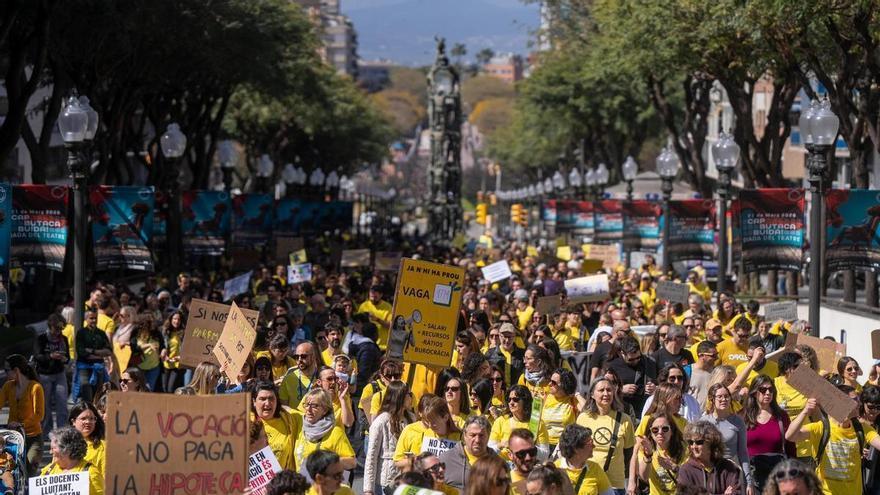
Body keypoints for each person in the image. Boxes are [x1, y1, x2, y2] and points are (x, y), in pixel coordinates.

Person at [786, 396, 880, 495]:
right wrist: (805, 411)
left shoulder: (862, 429)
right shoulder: (822, 427)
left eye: (858, 399)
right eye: (854, 399)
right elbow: (790, 436)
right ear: (839, 403)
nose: (859, 403)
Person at [577, 376, 636, 494]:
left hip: (615, 485)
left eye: (609, 390)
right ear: (592, 394)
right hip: (589, 482)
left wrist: (631, 481)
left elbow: (629, 453)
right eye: (601, 390)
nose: (606, 393)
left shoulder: (624, 419)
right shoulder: (583, 418)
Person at [743, 376, 796, 493]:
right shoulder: (743, 416)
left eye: (771, 390)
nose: (767, 393)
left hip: (777, 476)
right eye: (763, 390)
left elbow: (790, 446)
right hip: (751, 477)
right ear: (754, 392)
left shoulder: (781, 416)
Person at [701, 383, 754, 493]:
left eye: (726, 396)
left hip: (731, 471)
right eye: (719, 397)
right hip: (710, 471)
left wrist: (749, 481)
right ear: (712, 399)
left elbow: (743, 453)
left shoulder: (737, 421)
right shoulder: (703, 422)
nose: (723, 399)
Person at [364, 381, 413, 495]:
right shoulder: (381, 422)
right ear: (400, 397)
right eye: (409, 395)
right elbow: (371, 456)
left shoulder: (411, 418)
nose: (411, 398)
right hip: (385, 483)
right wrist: (368, 489)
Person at [0, 354, 44, 474]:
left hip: (33, 438)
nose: (5, 373)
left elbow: (39, 414)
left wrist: (21, 424)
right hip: (13, 437)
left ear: (16, 370)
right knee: (10, 470)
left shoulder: (35, 387)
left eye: (6, 370)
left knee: (29, 469)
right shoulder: (8, 386)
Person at [295, 389, 356, 473]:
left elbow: (352, 462)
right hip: (300, 483)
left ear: (325, 410)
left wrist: (327, 463)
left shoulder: (335, 432)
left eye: (314, 406)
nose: (308, 409)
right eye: (307, 404)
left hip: (322, 484)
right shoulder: (300, 426)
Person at [393, 395, 462, 469]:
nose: (430, 425)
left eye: (434, 422)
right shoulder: (426, 434)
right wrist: (414, 460)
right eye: (428, 421)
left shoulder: (460, 437)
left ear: (445, 417)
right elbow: (397, 461)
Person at [677, 421, 742, 495]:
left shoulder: (728, 467)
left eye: (699, 442)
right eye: (691, 442)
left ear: (711, 443)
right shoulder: (686, 470)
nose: (694, 446)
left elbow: (736, 492)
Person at [489, 385, 550, 457]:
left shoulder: (537, 423)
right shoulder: (501, 421)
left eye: (515, 399)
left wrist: (526, 446)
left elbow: (545, 455)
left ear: (525, 401)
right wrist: (501, 445)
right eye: (509, 400)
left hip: (527, 464)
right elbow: (489, 451)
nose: (511, 403)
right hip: (503, 465)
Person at [41, 426, 104, 495]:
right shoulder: (48, 471)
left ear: (67, 450)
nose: (50, 452)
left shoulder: (90, 473)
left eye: (53, 448)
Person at [252, 381, 301, 471]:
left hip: (284, 482)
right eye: (262, 399)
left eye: (271, 398)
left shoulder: (290, 419)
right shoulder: (244, 424)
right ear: (254, 401)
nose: (267, 403)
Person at [635, 413, 687, 495]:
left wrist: (675, 468)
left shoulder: (685, 449)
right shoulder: (646, 449)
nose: (660, 433)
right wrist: (648, 456)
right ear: (651, 433)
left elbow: (691, 479)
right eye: (655, 430)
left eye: (665, 429)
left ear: (672, 431)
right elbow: (644, 477)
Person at [606, 336, 658, 416]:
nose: (635, 361)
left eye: (638, 358)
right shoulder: (613, 366)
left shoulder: (649, 362)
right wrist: (621, 390)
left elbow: (661, 383)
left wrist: (655, 388)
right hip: (623, 410)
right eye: (631, 360)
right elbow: (604, 387)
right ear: (622, 353)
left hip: (645, 409)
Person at [35, 313, 70, 433]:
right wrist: (50, 356)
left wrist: (65, 359)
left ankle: (62, 431)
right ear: (50, 326)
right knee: (46, 405)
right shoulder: (42, 338)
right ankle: (46, 431)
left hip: (59, 373)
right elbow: (37, 356)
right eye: (56, 328)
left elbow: (68, 357)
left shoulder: (63, 339)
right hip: (45, 375)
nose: (59, 331)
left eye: (61, 328)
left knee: (62, 402)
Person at [555, 424, 613, 495]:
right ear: (576, 448)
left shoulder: (595, 469)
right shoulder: (555, 469)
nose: (594, 446)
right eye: (590, 443)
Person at [441, 415, 495, 490]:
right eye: (472, 435)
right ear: (464, 435)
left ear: (488, 436)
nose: (477, 440)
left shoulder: (498, 463)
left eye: (481, 435)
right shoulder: (446, 459)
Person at [76, 309, 113, 402]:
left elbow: (109, 351)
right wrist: (100, 354)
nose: (94, 320)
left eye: (95, 318)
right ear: (86, 319)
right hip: (84, 367)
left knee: (99, 392)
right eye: (91, 318)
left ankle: (96, 413)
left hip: (98, 367)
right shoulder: (81, 333)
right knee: (86, 390)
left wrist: (92, 351)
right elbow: (81, 352)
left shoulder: (101, 333)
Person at [542, 368, 579, 449]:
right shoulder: (545, 397)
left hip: (565, 446)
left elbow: (587, 410)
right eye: (550, 380)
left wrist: (576, 394)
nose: (549, 384)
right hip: (545, 444)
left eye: (553, 382)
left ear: (564, 384)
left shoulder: (572, 400)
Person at [68, 402, 106, 480]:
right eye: (83, 418)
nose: (88, 422)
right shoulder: (63, 444)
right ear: (73, 422)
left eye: (92, 419)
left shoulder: (102, 447)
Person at [280, 341, 322, 408]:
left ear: (313, 357)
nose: (299, 359)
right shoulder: (288, 379)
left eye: (303, 356)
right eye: (296, 357)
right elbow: (283, 406)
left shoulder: (322, 377)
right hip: (295, 417)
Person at [509, 428, 540, 495]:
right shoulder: (505, 483)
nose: (527, 458)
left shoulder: (546, 478)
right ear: (511, 455)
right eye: (521, 454)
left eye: (531, 452)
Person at [691, 340, 718, 409]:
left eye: (717, 354)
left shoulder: (716, 372)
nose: (717, 358)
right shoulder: (687, 371)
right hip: (691, 416)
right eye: (713, 356)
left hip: (709, 416)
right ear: (701, 355)